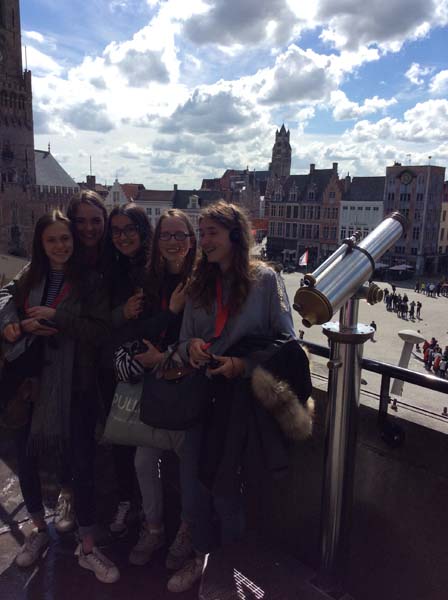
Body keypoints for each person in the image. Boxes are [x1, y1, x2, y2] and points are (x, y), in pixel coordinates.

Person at [174, 201, 313, 593]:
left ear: (236, 235)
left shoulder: (265, 280)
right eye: (201, 233)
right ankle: (204, 560)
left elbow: (287, 342)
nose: (204, 241)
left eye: (212, 233)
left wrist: (242, 365)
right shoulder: (199, 284)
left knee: (225, 492)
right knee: (193, 487)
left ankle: (229, 574)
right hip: (203, 395)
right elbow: (183, 341)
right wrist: (192, 348)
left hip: (239, 402)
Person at [0, 211, 119, 583]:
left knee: (82, 464)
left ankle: (88, 546)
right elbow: (4, 296)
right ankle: (38, 529)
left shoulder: (90, 282)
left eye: (65, 238)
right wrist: (16, 324)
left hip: (75, 383)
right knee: (27, 457)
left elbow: (100, 331)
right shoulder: (31, 274)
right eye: (51, 240)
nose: (60, 246)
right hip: (31, 383)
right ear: (41, 243)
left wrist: (58, 317)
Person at [112, 209, 203, 583]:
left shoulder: (202, 280)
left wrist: (164, 355)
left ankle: (186, 531)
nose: (173, 242)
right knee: (143, 460)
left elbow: (202, 336)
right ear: (157, 241)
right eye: (166, 235)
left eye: (180, 235)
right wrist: (170, 311)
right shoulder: (149, 281)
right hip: (156, 387)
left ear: (191, 240)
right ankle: (154, 529)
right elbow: (141, 329)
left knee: (190, 465)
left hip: (191, 386)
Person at [53, 190, 109, 534]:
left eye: (96, 221)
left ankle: (108, 502)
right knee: (74, 438)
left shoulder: (113, 257)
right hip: (73, 367)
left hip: (110, 364)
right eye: (81, 221)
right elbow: (15, 289)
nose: (88, 228)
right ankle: (70, 494)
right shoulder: (61, 257)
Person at [104, 203, 154, 534]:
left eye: (129, 229)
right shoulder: (110, 269)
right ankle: (127, 501)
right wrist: (121, 313)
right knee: (122, 439)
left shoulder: (157, 267)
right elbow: (97, 322)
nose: (123, 237)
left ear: (142, 230)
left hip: (152, 365)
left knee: (149, 449)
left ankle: (151, 513)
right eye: (117, 231)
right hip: (119, 367)